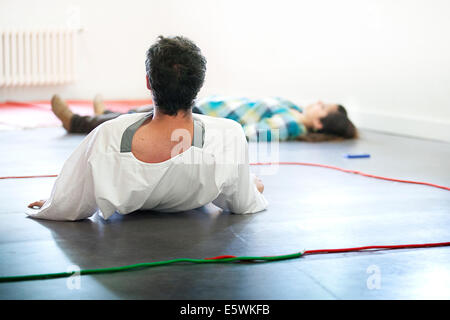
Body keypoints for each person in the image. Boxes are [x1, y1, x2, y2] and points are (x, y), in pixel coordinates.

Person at [27, 35, 267, 221]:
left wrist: (54, 203)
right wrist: (251, 185)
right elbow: (243, 203)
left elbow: (71, 204)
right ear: (199, 85)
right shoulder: (228, 136)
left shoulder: (107, 136)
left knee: (126, 121)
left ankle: (87, 116)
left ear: (148, 82)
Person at [51, 94, 357, 142]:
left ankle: (78, 122)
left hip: (200, 116)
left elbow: (248, 132)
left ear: (319, 124)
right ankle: (102, 114)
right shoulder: (292, 106)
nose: (317, 103)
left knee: (141, 119)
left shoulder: (290, 124)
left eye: (322, 108)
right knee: (139, 112)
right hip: (204, 105)